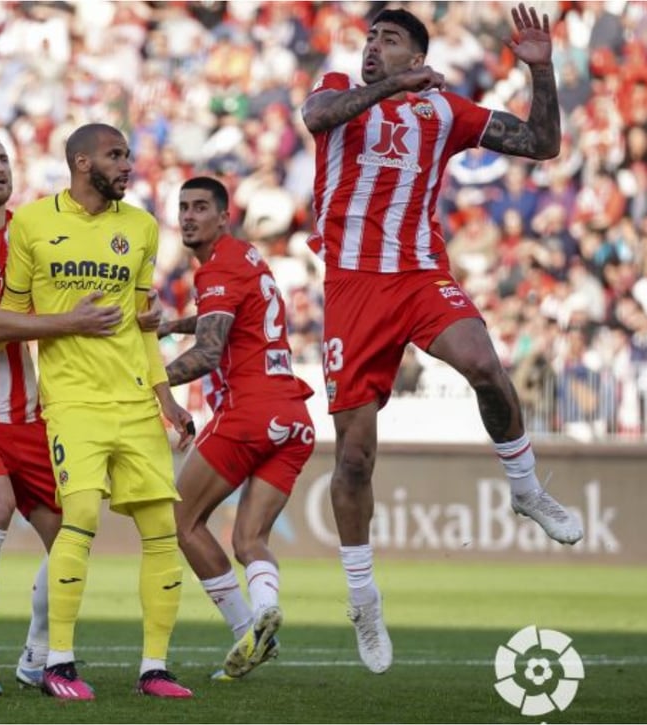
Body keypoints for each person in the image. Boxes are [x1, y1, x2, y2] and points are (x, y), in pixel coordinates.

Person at [299, 4, 583, 674]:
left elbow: (542, 144)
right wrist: (390, 85)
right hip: (353, 286)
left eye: (389, 39)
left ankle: (524, 486)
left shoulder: (444, 111)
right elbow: (316, 119)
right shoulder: (340, 88)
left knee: (485, 362)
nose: (372, 46)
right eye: (369, 36)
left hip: (420, 275)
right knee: (355, 460)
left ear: (417, 53)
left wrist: (543, 73)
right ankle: (363, 595)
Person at [0, 123, 195, 700]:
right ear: (82, 163)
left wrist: (168, 401)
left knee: (162, 529)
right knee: (79, 515)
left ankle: (154, 668)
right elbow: (10, 312)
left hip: (135, 399)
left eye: (128, 155)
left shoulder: (140, 227)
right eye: (116, 155)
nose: (127, 165)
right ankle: (58, 662)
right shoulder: (32, 223)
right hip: (73, 401)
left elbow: (141, 324)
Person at [0, 132, 122, 694]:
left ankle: (37, 655)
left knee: (70, 532)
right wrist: (71, 323)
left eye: (3, 159)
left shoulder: (33, 231)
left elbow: (66, 301)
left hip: (29, 409)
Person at [158, 177, 314, 681]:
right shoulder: (244, 258)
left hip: (249, 412)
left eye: (200, 207)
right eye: (183, 207)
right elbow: (226, 320)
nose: (188, 216)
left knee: (182, 522)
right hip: (292, 416)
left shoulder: (218, 269)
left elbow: (208, 352)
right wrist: (169, 325)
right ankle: (264, 610)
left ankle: (244, 626)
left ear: (224, 217)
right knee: (249, 540)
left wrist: (148, 381)